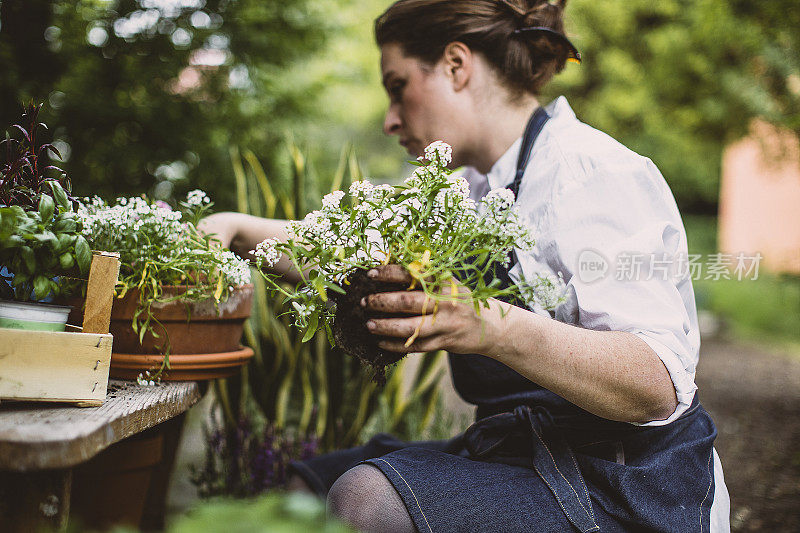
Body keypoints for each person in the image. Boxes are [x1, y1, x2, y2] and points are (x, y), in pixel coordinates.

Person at [201, 0, 731, 531]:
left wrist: (485, 324)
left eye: (397, 86)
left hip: (625, 481)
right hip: (522, 449)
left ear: (456, 66)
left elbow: (654, 383)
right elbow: (344, 249)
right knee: (308, 488)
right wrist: (235, 229)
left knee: (365, 499)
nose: (389, 120)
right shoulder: (470, 190)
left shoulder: (588, 171)